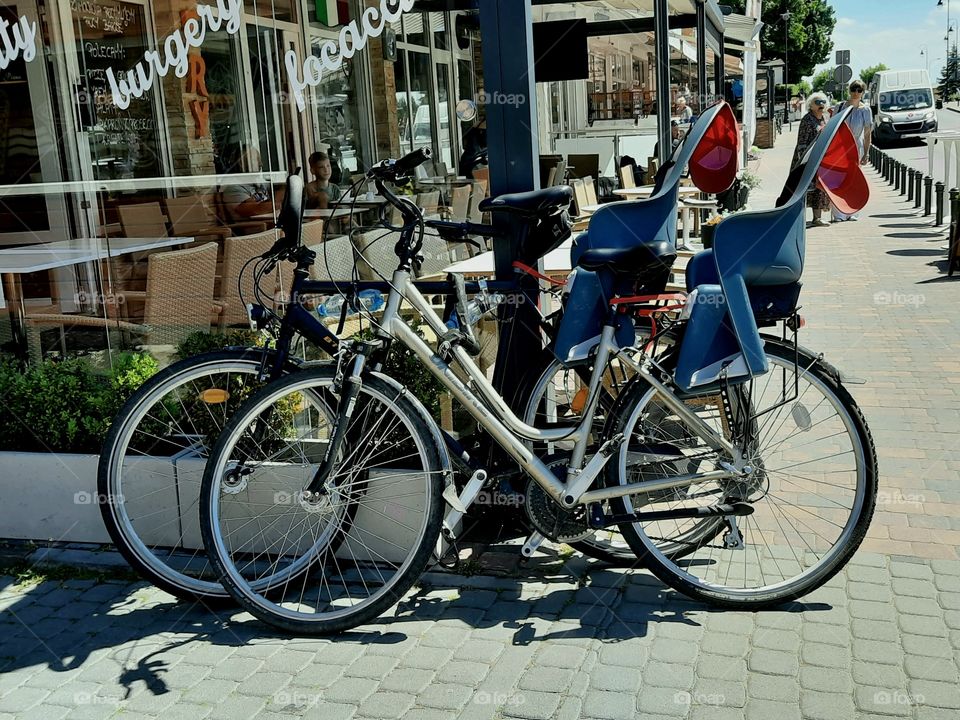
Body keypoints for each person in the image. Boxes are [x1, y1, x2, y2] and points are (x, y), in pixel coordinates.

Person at [831, 79, 873, 222]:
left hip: (857, 148)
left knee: (855, 180)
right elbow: (832, 128)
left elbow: (867, 134)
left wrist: (867, 153)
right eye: (854, 89)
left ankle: (853, 211)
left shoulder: (866, 110)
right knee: (839, 179)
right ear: (849, 90)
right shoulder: (840, 106)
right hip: (840, 148)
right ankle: (839, 212)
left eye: (859, 90)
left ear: (863, 92)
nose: (856, 92)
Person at [792, 92, 831, 228]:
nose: (821, 105)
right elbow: (802, 142)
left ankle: (817, 218)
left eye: (823, 102)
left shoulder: (825, 118)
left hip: (821, 159)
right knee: (803, 188)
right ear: (811, 105)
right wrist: (804, 161)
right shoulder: (807, 120)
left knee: (819, 189)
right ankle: (799, 218)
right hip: (807, 159)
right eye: (818, 102)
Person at [222, 146, 282, 221]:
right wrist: (280, 203)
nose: (261, 164)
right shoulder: (233, 188)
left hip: (272, 223)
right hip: (259, 228)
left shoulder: (258, 182)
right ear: (242, 163)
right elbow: (254, 210)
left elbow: (280, 189)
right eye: (256, 160)